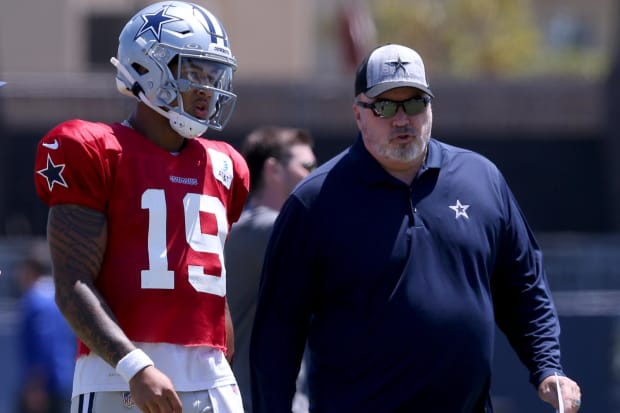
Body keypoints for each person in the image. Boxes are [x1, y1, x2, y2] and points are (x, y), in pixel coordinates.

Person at [250, 43, 582, 413]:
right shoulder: (314, 201)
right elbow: (277, 335)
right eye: (385, 106)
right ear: (358, 114)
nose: (402, 119)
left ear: (430, 108)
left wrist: (547, 367)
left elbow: (523, 284)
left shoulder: (481, 178)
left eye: (414, 103)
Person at [33, 2, 249, 413]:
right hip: (119, 375)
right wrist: (133, 366)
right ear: (148, 66)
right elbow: (71, 283)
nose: (207, 88)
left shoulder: (225, 165)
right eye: (194, 72)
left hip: (212, 378)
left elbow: (210, 290)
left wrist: (223, 366)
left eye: (213, 74)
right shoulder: (95, 150)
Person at [225, 126, 317, 413]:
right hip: (255, 400)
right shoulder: (262, 229)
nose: (315, 175)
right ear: (273, 170)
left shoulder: (252, 227)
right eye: (307, 166)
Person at [15, 256, 76, 413]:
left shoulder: (34, 300)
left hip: (46, 384)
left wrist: (36, 385)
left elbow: (44, 342)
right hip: (68, 375)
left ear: (32, 270)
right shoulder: (60, 296)